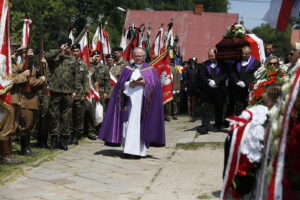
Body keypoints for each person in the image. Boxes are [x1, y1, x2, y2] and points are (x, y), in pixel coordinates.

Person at [98, 47, 165, 158]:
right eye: (136, 56)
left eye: (140, 56)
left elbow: (156, 87)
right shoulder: (128, 69)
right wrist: (130, 84)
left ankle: (139, 151)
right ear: (133, 56)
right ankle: (128, 150)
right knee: (127, 126)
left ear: (144, 57)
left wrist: (144, 84)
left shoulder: (150, 70)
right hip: (128, 104)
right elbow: (120, 85)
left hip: (143, 105)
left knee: (139, 127)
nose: (138, 58)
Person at [45, 37, 77, 150]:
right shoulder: (54, 57)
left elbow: (76, 77)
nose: (68, 48)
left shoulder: (73, 59)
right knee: (54, 116)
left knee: (66, 117)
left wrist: (75, 91)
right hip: (55, 90)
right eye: (67, 46)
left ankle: (64, 140)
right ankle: (54, 140)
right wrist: (59, 50)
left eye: (69, 46)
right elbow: (46, 56)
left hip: (68, 92)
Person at [19, 48, 45, 155]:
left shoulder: (31, 64)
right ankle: (24, 149)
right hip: (26, 100)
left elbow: (41, 74)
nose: (30, 54)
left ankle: (28, 147)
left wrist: (43, 65)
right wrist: (41, 80)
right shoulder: (22, 66)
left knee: (31, 125)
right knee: (26, 125)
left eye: (30, 52)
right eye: (26, 52)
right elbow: (30, 82)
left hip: (33, 99)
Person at [198, 49, 227, 134]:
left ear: (216, 55)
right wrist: (208, 82)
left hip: (219, 90)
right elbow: (201, 76)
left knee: (219, 108)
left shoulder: (222, 64)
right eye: (209, 56)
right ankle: (205, 126)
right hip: (207, 91)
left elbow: (225, 74)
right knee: (206, 108)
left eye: (212, 56)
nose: (210, 58)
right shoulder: (204, 64)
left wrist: (216, 81)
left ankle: (218, 125)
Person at [226, 46, 260, 116]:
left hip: (249, 90)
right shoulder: (237, 62)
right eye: (242, 53)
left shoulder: (256, 63)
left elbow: (255, 76)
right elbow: (233, 73)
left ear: (250, 53)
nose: (243, 55)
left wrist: (246, 83)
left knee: (249, 109)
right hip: (238, 89)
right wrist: (237, 81)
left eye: (246, 54)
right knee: (239, 109)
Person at [70, 43, 90, 145]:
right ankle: (69, 135)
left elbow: (86, 80)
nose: (75, 53)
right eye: (73, 51)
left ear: (80, 52)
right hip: (69, 93)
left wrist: (85, 93)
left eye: (77, 51)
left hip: (79, 93)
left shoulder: (83, 64)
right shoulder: (68, 62)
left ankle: (76, 136)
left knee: (78, 116)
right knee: (69, 116)